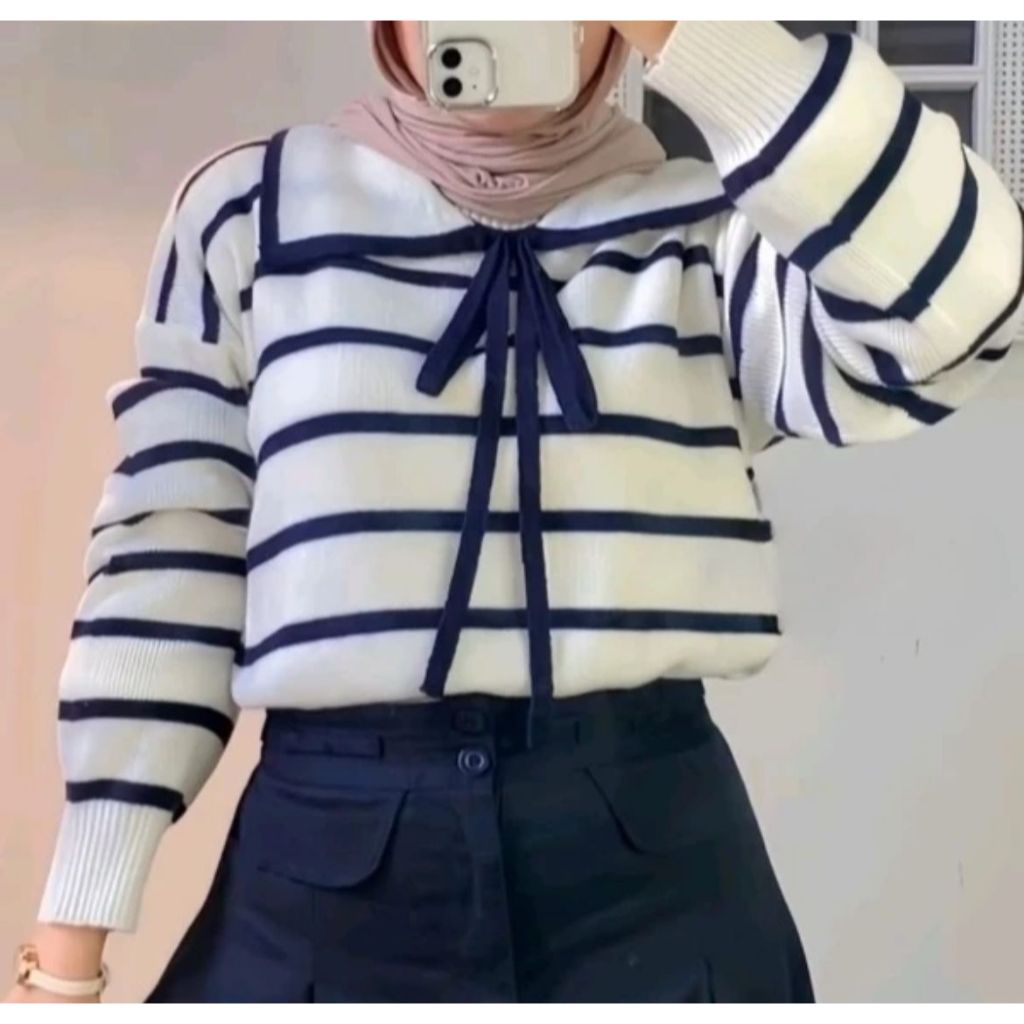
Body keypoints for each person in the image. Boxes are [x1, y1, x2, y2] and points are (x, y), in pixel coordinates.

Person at [7, 18, 1023, 1004]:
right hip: (322, 866)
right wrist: (69, 950)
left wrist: (698, 38)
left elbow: (963, 310)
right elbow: (169, 561)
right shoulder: (250, 212)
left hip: (656, 875)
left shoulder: (711, 233)